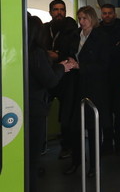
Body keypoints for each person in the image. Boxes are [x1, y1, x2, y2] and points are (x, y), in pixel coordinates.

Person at [63, 6, 112, 177]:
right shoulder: (75, 35)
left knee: (93, 129)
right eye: (79, 18)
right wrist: (70, 60)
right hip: (76, 85)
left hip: (94, 87)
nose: (81, 22)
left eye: (84, 18)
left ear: (92, 18)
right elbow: (70, 52)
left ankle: (94, 165)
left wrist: (81, 66)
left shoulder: (102, 37)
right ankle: (76, 162)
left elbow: (105, 65)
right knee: (75, 127)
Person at [27, 15, 74, 192]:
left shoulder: (21, 48)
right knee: (32, 159)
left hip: (23, 106)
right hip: (35, 108)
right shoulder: (36, 52)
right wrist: (62, 67)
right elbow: (50, 80)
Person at [41, 0, 78, 159]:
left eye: (62, 9)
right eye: (55, 10)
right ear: (50, 12)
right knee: (41, 111)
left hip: (65, 76)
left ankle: (67, 146)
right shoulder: (43, 29)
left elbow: (72, 52)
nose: (59, 12)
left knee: (66, 114)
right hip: (46, 75)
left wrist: (58, 55)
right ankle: (40, 145)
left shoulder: (71, 29)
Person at [99, 3, 120, 154]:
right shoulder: (97, 30)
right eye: (104, 13)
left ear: (114, 14)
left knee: (119, 113)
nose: (107, 16)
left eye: (110, 13)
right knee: (105, 113)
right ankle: (107, 141)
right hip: (103, 79)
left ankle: (119, 142)